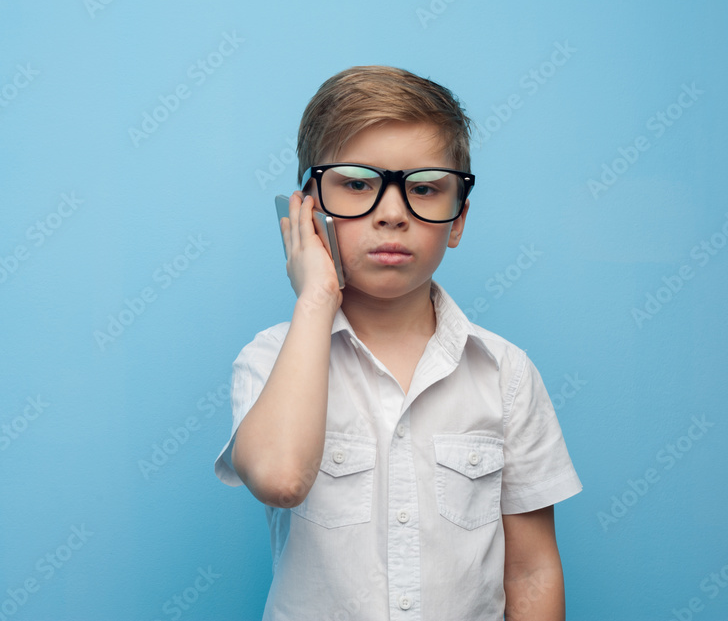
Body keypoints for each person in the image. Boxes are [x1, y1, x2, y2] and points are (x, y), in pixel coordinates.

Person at [213, 66, 582, 620]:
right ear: (307, 211)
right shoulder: (269, 358)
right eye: (357, 183)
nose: (391, 213)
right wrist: (316, 297)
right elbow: (280, 478)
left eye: (426, 189)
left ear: (456, 220)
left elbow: (530, 569)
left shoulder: (505, 372)